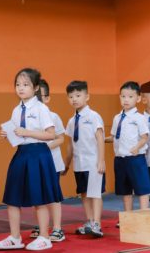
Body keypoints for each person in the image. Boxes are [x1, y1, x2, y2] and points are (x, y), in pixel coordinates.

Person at [0, 68, 62, 251]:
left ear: (36, 87)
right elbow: (18, 135)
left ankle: (44, 237)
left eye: (25, 85)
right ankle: (15, 237)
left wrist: (27, 132)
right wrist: (7, 134)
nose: (20, 88)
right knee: (12, 197)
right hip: (21, 153)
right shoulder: (17, 109)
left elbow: (51, 134)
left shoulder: (41, 108)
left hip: (38, 154)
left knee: (39, 199)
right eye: (17, 84)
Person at [64, 80, 106, 238]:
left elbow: (100, 138)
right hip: (79, 164)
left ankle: (97, 223)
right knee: (83, 193)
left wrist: (101, 160)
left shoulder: (94, 116)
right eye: (70, 96)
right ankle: (89, 221)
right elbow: (70, 145)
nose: (74, 99)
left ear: (87, 96)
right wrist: (67, 164)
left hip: (93, 163)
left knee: (95, 193)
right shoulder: (71, 121)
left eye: (78, 95)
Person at [107, 81, 150, 212]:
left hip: (135, 158)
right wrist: (100, 139)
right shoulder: (117, 118)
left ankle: (144, 216)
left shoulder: (139, 118)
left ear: (138, 98)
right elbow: (114, 137)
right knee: (125, 191)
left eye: (130, 97)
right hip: (120, 159)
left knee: (142, 190)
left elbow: (145, 137)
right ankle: (128, 217)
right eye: (123, 96)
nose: (126, 100)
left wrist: (137, 147)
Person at [30, 79, 66, 242]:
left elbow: (60, 139)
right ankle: (41, 225)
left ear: (47, 98)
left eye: (40, 96)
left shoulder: (53, 116)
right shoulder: (28, 116)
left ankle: (57, 228)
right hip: (35, 161)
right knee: (37, 194)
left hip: (51, 161)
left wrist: (44, 148)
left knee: (53, 195)